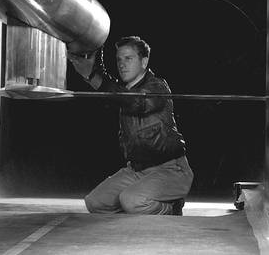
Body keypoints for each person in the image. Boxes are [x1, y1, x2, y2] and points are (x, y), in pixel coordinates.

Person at [68, 35, 193, 215]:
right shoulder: (123, 91)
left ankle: (172, 208)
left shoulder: (157, 87)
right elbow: (114, 92)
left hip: (171, 169)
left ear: (144, 61)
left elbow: (136, 103)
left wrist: (95, 77)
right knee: (94, 203)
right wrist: (89, 73)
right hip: (136, 170)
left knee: (132, 201)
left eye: (128, 58)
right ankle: (137, 207)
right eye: (119, 59)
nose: (122, 64)